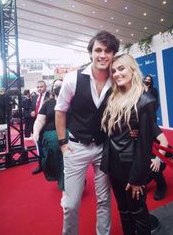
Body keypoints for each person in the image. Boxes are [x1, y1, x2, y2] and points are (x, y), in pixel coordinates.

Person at [55, 30, 120, 235]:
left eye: (108, 51)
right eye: (98, 50)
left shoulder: (116, 79)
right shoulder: (73, 78)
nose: (103, 55)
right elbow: (60, 111)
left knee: (104, 199)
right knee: (71, 204)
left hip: (103, 147)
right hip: (75, 147)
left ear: (113, 54)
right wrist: (63, 144)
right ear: (90, 52)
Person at [101, 54, 160, 235]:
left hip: (132, 167)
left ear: (132, 70)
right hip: (113, 164)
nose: (117, 74)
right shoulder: (113, 97)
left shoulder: (145, 101)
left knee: (138, 211)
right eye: (113, 71)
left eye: (121, 69)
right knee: (123, 210)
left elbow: (144, 147)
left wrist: (137, 179)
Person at [32, 79, 64, 190]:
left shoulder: (72, 102)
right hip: (50, 133)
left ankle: (71, 181)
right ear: (52, 89)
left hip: (68, 133)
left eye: (61, 85)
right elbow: (40, 120)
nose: (58, 87)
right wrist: (36, 132)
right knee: (54, 147)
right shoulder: (48, 103)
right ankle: (61, 178)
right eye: (56, 86)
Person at [31, 80, 50, 174]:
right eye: (38, 87)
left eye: (41, 86)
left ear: (45, 87)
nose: (39, 88)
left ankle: (50, 166)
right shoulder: (34, 97)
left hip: (48, 125)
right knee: (38, 146)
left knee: (49, 146)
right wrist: (31, 112)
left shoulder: (50, 96)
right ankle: (41, 165)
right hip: (36, 125)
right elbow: (31, 109)